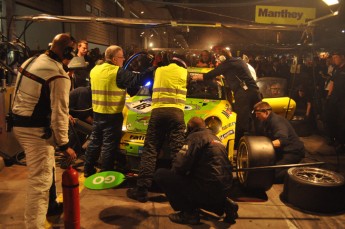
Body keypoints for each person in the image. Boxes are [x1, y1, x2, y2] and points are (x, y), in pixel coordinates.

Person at [12, 33, 77, 229]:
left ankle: (51, 205)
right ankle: (34, 225)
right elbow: (60, 113)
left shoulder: (32, 60)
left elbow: (32, 94)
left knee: (48, 168)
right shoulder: (58, 74)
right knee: (39, 182)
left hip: (19, 124)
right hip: (36, 132)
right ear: (68, 52)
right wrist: (65, 145)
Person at [83, 45, 154, 177]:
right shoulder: (117, 72)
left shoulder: (95, 70)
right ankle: (105, 173)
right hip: (112, 114)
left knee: (95, 141)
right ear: (115, 59)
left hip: (97, 112)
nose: (124, 59)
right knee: (109, 145)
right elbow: (137, 80)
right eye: (122, 57)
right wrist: (152, 68)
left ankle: (88, 169)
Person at [153, 117, 238, 225]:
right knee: (202, 185)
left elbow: (180, 166)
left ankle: (189, 214)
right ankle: (225, 205)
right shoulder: (216, 138)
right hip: (225, 188)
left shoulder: (194, 137)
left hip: (207, 187)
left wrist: (176, 184)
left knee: (161, 174)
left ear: (189, 128)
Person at [126, 54, 188, 202]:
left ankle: (141, 190)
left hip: (158, 113)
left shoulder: (158, 71)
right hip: (176, 114)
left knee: (150, 150)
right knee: (177, 153)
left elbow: (145, 78)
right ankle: (179, 192)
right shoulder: (185, 73)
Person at [191, 49, 261, 149]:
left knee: (242, 122)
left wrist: (197, 77)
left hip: (244, 94)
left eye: (218, 56)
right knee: (253, 120)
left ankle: (240, 147)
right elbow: (235, 75)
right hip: (254, 92)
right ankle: (255, 142)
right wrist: (224, 79)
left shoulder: (227, 64)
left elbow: (211, 74)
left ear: (222, 57)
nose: (218, 59)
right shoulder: (239, 61)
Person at [253, 101, 305, 183]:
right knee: (261, 169)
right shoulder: (264, 122)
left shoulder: (276, 121)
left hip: (292, 152)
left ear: (266, 112)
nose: (256, 116)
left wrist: (263, 147)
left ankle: (298, 171)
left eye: (258, 113)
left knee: (271, 175)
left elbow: (282, 140)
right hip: (280, 151)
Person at [324, 51, 345, 152]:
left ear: (342, 57)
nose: (334, 59)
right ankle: (334, 139)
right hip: (334, 98)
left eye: (336, 57)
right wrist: (328, 95)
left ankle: (342, 143)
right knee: (331, 118)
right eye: (333, 58)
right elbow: (332, 82)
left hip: (343, 99)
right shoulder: (336, 69)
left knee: (342, 121)